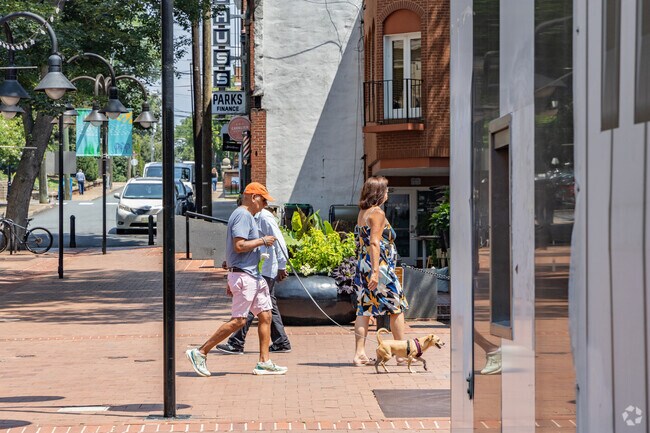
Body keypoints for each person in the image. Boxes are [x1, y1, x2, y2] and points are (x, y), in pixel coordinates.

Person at [186, 182, 288, 376]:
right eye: (263, 200)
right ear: (253, 197)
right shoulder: (243, 215)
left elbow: (235, 250)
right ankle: (200, 352)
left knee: (266, 314)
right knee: (239, 321)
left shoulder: (247, 215)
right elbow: (239, 245)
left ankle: (264, 361)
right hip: (246, 275)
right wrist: (263, 241)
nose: (265, 205)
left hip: (251, 275)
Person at [216, 206, 292, 354]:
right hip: (255, 268)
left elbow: (278, 240)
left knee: (251, 307)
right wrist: (230, 261)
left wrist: (282, 265)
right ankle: (281, 342)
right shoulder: (248, 217)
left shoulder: (265, 217)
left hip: (264, 269)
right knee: (267, 308)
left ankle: (235, 343)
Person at [353, 176, 409, 366]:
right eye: (385, 190)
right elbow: (375, 242)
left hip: (363, 266)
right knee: (396, 308)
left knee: (364, 309)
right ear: (378, 193)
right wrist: (376, 272)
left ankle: (359, 354)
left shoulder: (363, 212)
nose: (387, 194)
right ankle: (401, 354)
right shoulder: (377, 213)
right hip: (380, 268)